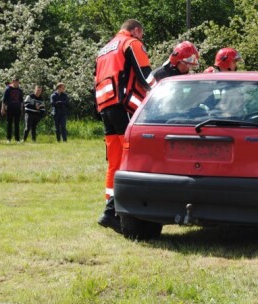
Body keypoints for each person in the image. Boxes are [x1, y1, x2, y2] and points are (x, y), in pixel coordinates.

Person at [94, 19, 153, 232]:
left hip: (105, 107)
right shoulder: (130, 43)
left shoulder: (103, 50)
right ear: (135, 30)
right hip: (123, 107)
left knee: (115, 161)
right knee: (130, 158)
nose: (142, 39)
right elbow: (146, 75)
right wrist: (161, 97)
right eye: (142, 34)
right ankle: (112, 213)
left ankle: (111, 208)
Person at [2, 77, 24, 143]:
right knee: (9, 124)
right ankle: (8, 139)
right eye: (15, 82)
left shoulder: (20, 90)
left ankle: (17, 139)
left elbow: (21, 100)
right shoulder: (8, 89)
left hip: (17, 109)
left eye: (17, 82)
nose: (16, 83)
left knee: (17, 124)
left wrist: (21, 108)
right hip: (9, 109)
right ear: (12, 82)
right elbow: (4, 100)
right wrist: (3, 108)